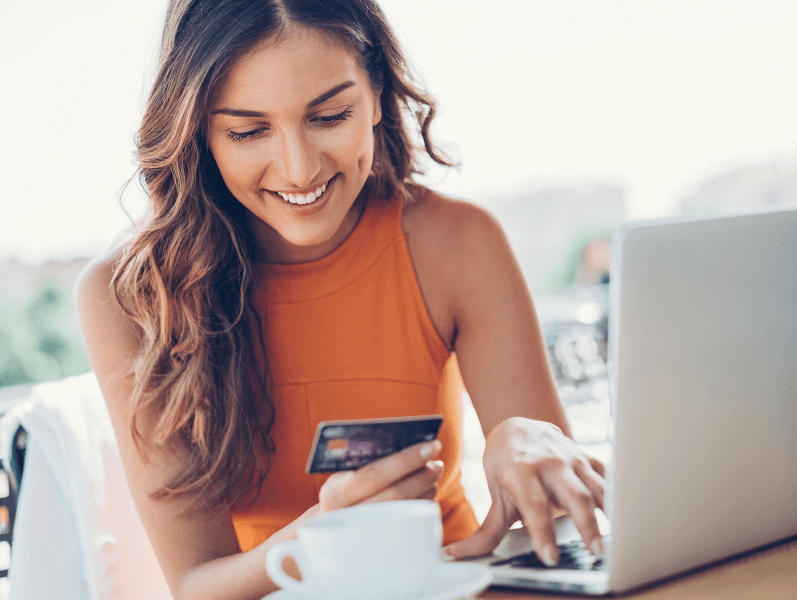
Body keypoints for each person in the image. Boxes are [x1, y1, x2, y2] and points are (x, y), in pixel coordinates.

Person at [75, 1, 607, 598]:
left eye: (329, 116)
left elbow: (563, 521)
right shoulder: (129, 297)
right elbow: (197, 584)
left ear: (376, 93)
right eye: (248, 131)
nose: (299, 170)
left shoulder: (456, 242)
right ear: (198, 130)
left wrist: (524, 440)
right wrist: (328, 533)